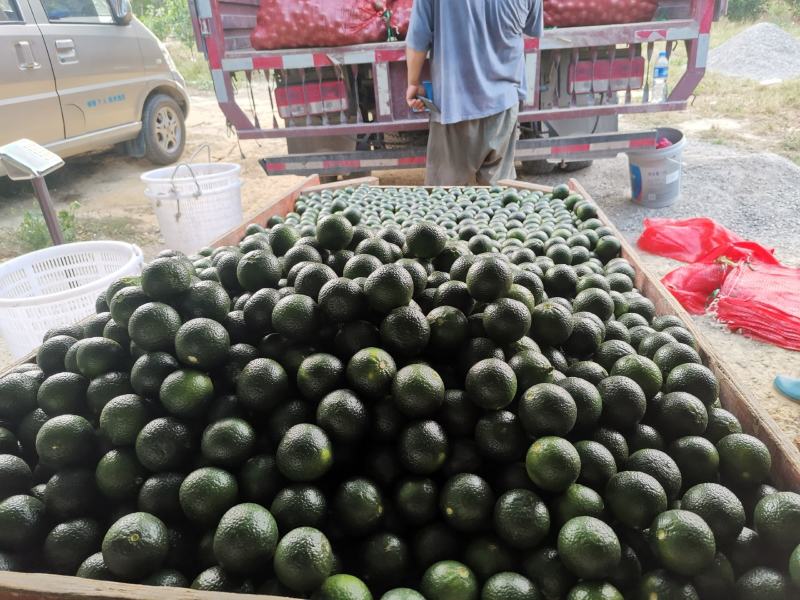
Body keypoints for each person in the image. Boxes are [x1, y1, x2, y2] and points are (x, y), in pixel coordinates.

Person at [405, 0, 543, 186]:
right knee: (499, 198)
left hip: (454, 109)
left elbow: (418, 39)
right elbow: (531, 27)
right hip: (503, 107)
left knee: (444, 200)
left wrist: (413, 83)